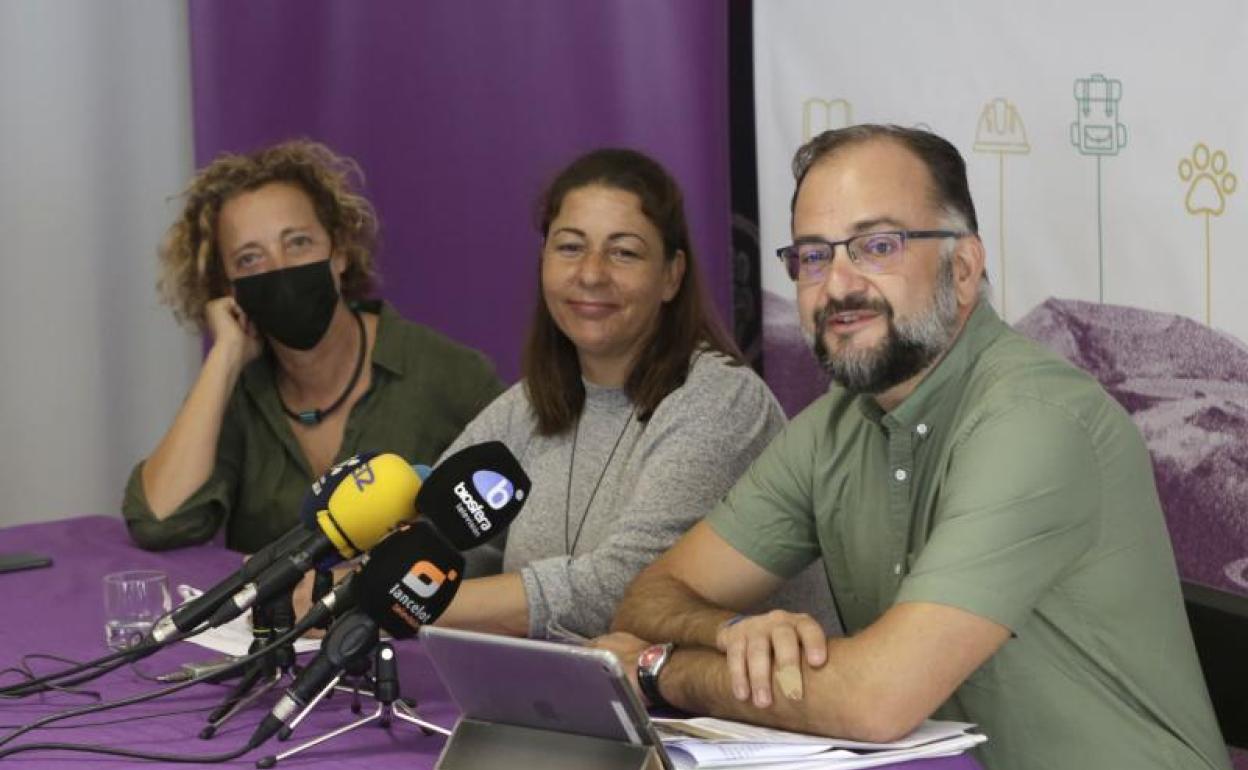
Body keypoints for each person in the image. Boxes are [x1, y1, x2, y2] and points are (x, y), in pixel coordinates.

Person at [596, 126, 1230, 770]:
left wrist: (659, 673)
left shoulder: (1037, 421)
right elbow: (651, 596)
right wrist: (726, 631)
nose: (838, 285)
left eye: (877, 246)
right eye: (814, 256)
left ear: (962, 268)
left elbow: (876, 701)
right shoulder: (834, 426)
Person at [434, 148, 836, 639]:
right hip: (560, 705)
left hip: (722, 711)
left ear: (671, 275)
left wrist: (399, 600)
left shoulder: (721, 403)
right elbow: (435, 538)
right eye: (569, 247)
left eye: (623, 252)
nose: (591, 273)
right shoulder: (527, 405)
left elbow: (621, 591)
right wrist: (352, 583)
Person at [122, 140, 503, 554]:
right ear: (228, 288)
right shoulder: (238, 393)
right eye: (250, 259)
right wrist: (224, 356)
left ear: (338, 252)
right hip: (275, 620)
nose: (279, 267)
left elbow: (518, 527)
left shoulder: (449, 373)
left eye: (298, 242)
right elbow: (160, 523)